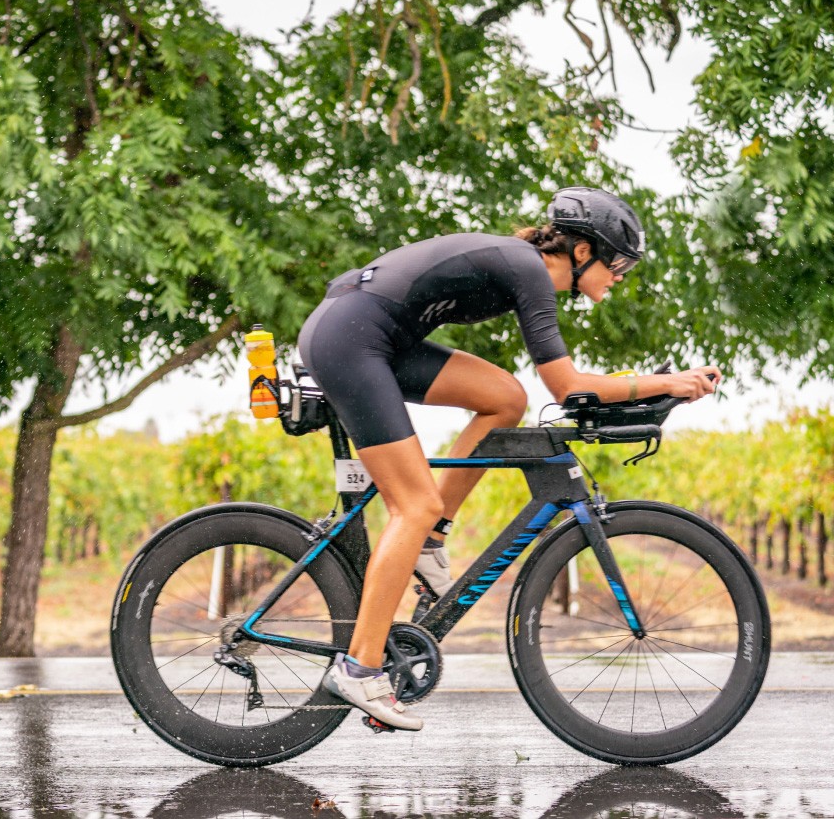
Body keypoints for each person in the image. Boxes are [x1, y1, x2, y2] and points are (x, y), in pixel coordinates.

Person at [295, 187, 721, 731]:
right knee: (412, 504)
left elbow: (555, 387)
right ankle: (359, 668)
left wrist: (655, 387)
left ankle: (430, 539)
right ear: (583, 250)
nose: (620, 275)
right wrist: (666, 381)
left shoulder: (524, 269)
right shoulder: (529, 269)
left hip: (371, 334)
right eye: (618, 261)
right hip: (351, 340)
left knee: (505, 398)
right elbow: (567, 386)